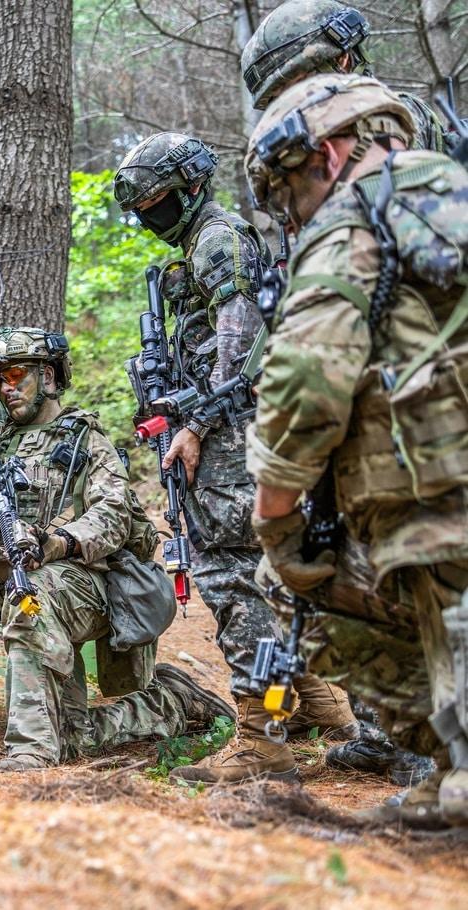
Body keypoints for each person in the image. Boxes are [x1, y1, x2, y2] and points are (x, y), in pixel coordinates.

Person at [244, 72, 468, 827]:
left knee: (295, 582)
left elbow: (306, 384)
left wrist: (276, 522)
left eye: (288, 192)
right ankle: (451, 767)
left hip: (437, 499)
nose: (291, 213)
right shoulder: (448, 193)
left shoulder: (354, 221)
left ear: (329, 154)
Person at [112, 133, 355, 783]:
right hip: (224, 427)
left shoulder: (218, 239)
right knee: (258, 572)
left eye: (156, 201)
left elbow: (241, 341)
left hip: (227, 434)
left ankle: (260, 736)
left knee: (232, 576)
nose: (147, 217)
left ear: (191, 187)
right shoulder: (201, 245)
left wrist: (194, 423)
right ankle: (322, 704)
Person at [0, 325, 233, 771]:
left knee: (29, 600)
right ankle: (170, 702)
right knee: (73, 734)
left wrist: (54, 542)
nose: (7, 387)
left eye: (17, 374)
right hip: (33, 594)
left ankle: (29, 751)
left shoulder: (85, 441)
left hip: (89, 586)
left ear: (50, 377)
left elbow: (113, 518)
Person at [241, 0, 447, 151]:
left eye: (300, 85)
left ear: (342, 60)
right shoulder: (291, 157)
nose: (291, 105)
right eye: (279, 98)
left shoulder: (395, 116)